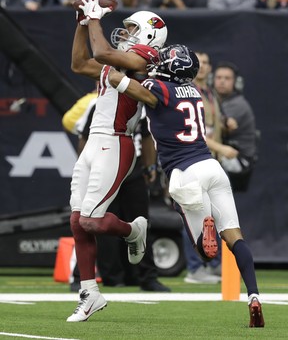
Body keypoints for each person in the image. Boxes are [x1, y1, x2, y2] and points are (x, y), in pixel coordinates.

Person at [108, 44, 265, 327]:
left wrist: (107, 66)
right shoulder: (194, 92)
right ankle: (254, 295)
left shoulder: (158, 88)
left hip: (185, 174)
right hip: (212, 167)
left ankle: (200, 218)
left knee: (206, 252)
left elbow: (119, 80)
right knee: (235, 237)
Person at [67, 0, 168, 322]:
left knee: (92, 221)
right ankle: (90, 294)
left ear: (148, 36)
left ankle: (131, 231)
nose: (124, 33)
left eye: (130, 29)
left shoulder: (146, 57)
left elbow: (100, 52)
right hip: (95, 141)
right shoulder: (117, 60)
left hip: (117, 141)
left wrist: (95, 16)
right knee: (76, 221)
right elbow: (80, 63)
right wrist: (82, 23)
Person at [63, 93, 170, 292]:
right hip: (105, 167)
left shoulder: (140, 102)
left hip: (132, 167)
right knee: (91, 219)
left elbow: (146, 137)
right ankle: (87, 275)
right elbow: (85, 139)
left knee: (140, 220)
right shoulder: (100, 103)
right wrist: (85, 169)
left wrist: (149, 167)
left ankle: (145, 276)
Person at [182, 51, 239, 284]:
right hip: (192, 159)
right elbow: (195, 132)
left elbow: (211, 122)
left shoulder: (209, 91)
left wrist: (225, 123)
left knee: (214, 214)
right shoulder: (187, 91)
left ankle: (213, 264)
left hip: (209, 160)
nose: (203, 67)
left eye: (206, 63)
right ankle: (195, 268)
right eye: (199, 62)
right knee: (193, 212)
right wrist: (221, 147)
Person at [213, 61, 258, 192]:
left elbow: (215, 127)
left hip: (239, 160)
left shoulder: (238, 104)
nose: (222, 81)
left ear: (236, 82)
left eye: (227, 78)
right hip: (227, 154)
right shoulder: (214, 100)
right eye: (219, 77)